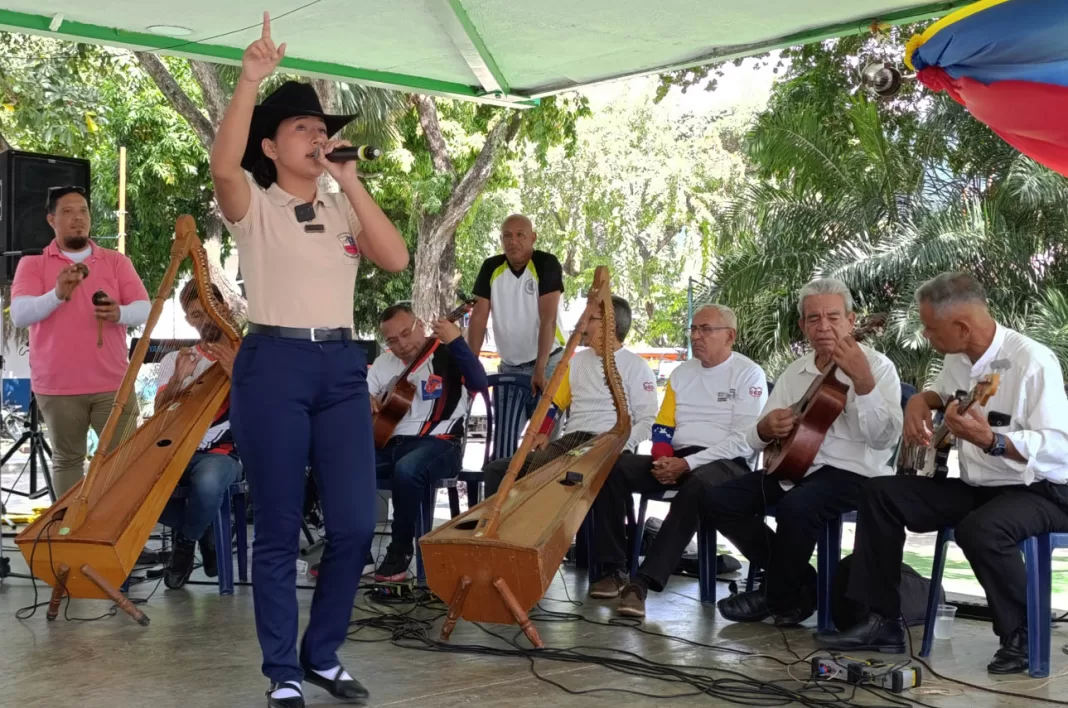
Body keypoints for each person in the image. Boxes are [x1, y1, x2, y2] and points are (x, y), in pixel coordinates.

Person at [210, 14, 409, 708]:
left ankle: (322, 654)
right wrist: (249, 81)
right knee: (280, 524)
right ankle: (283, 672)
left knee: (355, 523)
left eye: (323, 129)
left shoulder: (340, 203)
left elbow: (395, 258)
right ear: (272, 143)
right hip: (275, 363)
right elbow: (222, 165)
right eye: (303, 127)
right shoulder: (253, 203)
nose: (319, 134)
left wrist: (348, 180)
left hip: (340, 368)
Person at [817, 273, 1068, 674]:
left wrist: (993, 441)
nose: (926, 335)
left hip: (1041, 491)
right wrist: (921, 399)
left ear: (962, 327)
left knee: (981, 529)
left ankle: (1021, 634)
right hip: (978, 486)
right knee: (881, 493)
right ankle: (882, 621)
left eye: (931, 328)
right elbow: (947, 392)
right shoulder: (958, 358)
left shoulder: (1033, 362)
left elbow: (1060, 448)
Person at [700, 278, 902, 627]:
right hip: (796, 468)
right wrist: (767, 429)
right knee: (716, 501)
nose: (823, 326)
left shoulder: (879, 368)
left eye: (833, 317)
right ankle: (802, 585)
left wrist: (864, 384)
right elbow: (760, 432)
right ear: (802, 325)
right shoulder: (796, 371)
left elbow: (882, 440)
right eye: (813, 318)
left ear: (852, 321)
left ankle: (776, 596)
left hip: (855, 473)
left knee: (797, 507)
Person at [588, 304, 768, 617]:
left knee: (697, 486)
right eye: (694, 329)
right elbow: (662, 427)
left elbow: (744, 439)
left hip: (727, 464)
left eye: (706, 329)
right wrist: (662, 459)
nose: (697, 336)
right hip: (679, 459)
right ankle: (614, 568)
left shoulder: (748, 373)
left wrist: (688, 465)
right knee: (612, 465)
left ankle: (642, 583)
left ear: (730, 336)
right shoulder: (682, 373)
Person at [10, 185, 150, 497]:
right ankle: (69, 538)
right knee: (67, 461)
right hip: (58, 386)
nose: (78, 218)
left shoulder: (116, 261)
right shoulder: (33, 264)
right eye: (68, 212)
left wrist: (119, 313)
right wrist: (57, 294)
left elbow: (144, 308)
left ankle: (117, 541)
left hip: (113, 384)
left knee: (125, 463)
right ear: (51, 220)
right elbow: (19, 315)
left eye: (83, 211)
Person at [482, 295, 657, 497]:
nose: (581, 324)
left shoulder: (637, 366)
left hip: (610, 446)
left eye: (590, 319)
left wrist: (618, 445)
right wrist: (544, 432)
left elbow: (647, 421)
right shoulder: (576, 361)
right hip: (571, 444)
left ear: (611, 325)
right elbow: (555, 404)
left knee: (590, 479)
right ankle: (493, 527)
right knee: (498, 470)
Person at [369, 303, 487, 582]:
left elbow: (480, 383)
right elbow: (363, 394)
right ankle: (354, 551)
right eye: (392, 340)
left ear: (420, 325)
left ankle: (399, 552)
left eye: (406, 333)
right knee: (340, 464)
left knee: (408, 469)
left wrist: (456, 340)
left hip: (441, 442)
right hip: (391, 442)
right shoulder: (384, 363)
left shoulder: (448, 353)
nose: (401, 345)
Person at [154, 280, 242, 589]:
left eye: (209, 310)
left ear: (225, 309)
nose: (203, 319)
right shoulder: (177, 358)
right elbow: (159, 412)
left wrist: (236, 373)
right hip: (178, 449)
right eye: (194, 314)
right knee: (135, 486)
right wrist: (179, 378)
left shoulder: (248, 355)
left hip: (226, 452)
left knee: (206, 484)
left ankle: (184, 544)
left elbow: (267, 409)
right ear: (188, 319)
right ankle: (204, 531)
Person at [467, 214, 566, 395]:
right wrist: (471, 363)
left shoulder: (546, 263)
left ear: (533, 238)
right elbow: (478, 317)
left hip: (547, 362)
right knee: (506, 424)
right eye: (507, 236)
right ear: (501, 240)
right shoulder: (490, 267)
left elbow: (548, 319)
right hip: (509, 367)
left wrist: (540, 368)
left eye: (520, 235)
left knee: (544, 424)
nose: (513, 241)